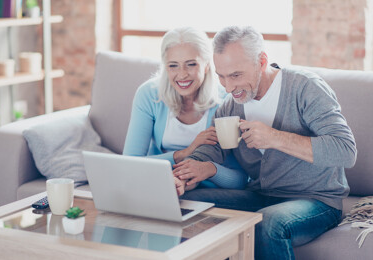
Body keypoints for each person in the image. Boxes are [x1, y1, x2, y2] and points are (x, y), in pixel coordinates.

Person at [178, 25, 357, 260]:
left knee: (268, 222)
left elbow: (345, 150)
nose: (228, 87)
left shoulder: (305, 88)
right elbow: (213, 146)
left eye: (236, 75)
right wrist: (192, 168)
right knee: (187, 204)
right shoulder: (231, 106)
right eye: (221, 76)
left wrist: (275, 138)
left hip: (316, 201)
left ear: (261, 61)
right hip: (262, 196)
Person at [123, 27, 248, 191]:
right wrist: (185, 153)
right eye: (173, 65)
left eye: (191, 64)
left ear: (206, 65)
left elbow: (241, 179)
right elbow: (129, 164)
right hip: (156, 184)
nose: (182, 75)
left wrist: (204, 172)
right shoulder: (149, 95)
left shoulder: (226, 102)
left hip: (205, 193)